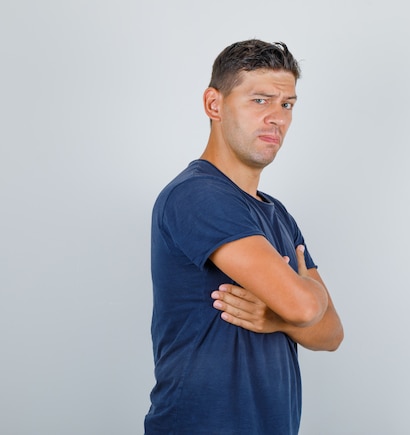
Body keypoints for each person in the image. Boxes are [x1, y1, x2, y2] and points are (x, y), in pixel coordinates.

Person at [144, 39, 344, 434]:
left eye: (287, 104)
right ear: (214, 105)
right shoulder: (197, 194)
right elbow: (307, 309)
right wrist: (306, 298)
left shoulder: (278, 215)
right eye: (260, 100)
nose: (278, 118)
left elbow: (332, 334)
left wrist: (276, 317)